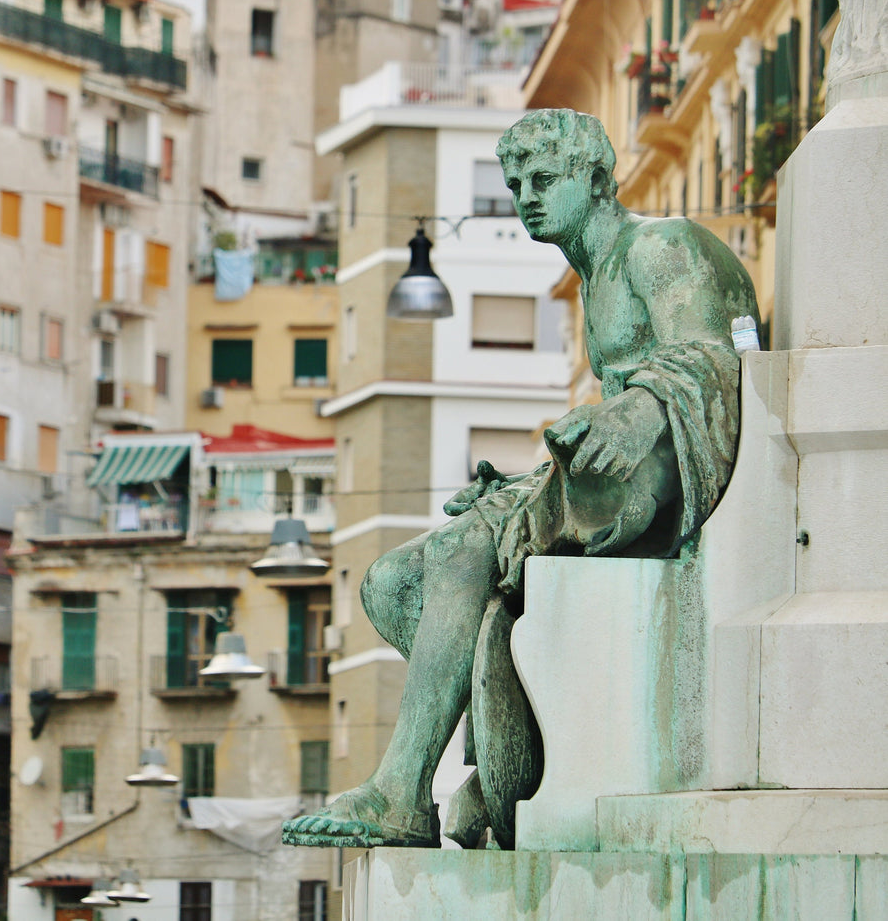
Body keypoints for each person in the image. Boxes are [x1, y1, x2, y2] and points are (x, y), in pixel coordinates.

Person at [282, 109, 759, 849]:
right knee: (389, 581)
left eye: (543, 179)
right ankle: (509, 752)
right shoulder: (591, 281)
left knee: (456, 552)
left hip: (671, 481)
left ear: (596, 180)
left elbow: (718, 358)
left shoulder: (660, 246)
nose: (525, 196)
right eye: (513, 184)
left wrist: (635, 410)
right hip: (612, 477)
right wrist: (517, 484)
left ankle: (402, 793)